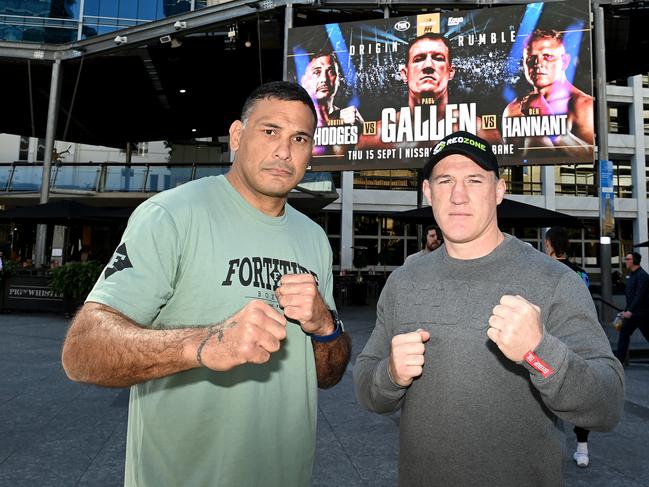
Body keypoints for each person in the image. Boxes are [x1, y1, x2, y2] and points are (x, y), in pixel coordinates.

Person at [61, 81, 352, 487]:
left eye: (299, 138)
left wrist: (324, 327)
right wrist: (202, 344)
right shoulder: (172, 215)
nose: (284, 151)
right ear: (237, 136)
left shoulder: (314, 238)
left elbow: (328, 375)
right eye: (270, 131)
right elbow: (81, 351)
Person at [353, 130, 624, 487]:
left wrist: (539, 353)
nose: (458, 195)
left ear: (499, 191)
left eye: (475, 180)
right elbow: (366, 387)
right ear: (428, 192)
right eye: (445, 180)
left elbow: (606, 404)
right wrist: (390, 374)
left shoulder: (554, 279)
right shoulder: (403, 281)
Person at [358, 33, 500, 150]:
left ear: (451, 72)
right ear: (404, 74)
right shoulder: (375, 136)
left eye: (438, 58)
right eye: (418, 59)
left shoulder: (481, 132)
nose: (428, 66)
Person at [502, 29, 594, 158]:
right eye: (531, 58)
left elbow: (591, 154)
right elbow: (509, 158)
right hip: (525, 177)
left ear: (565, 61)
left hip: (566, 177)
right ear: (524, 63)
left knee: (537, 137)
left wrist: (549, 124)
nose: (538, 64)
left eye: (548, 57)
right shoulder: (514, 109)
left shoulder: (583, 105)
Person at [544, 226, 591, 468]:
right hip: (576, 339)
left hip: (547, 340)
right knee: (578, 392)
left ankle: (547, 444)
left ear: (550, 244)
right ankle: (582, 448)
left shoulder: (542, 271)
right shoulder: (581, 274)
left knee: (544, 388)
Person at [300, 50, 364, 128]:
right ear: (304, 80)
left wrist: (361, 127)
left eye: (331, 72)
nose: (324, 79)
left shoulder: (349, 117)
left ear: (338, 80)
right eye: (317, 72)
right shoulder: (296, 118)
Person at [615, 252, 649, 365]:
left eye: (628, 259)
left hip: (642, 313)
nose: (625, 261)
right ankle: (619, 362)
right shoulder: (631, 275)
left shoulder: (642, 275)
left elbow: (639, 295)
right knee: (623, 335)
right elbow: (630, 296)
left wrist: (630, 310)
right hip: (632, 313)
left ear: (634, 261)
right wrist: (626, 310)